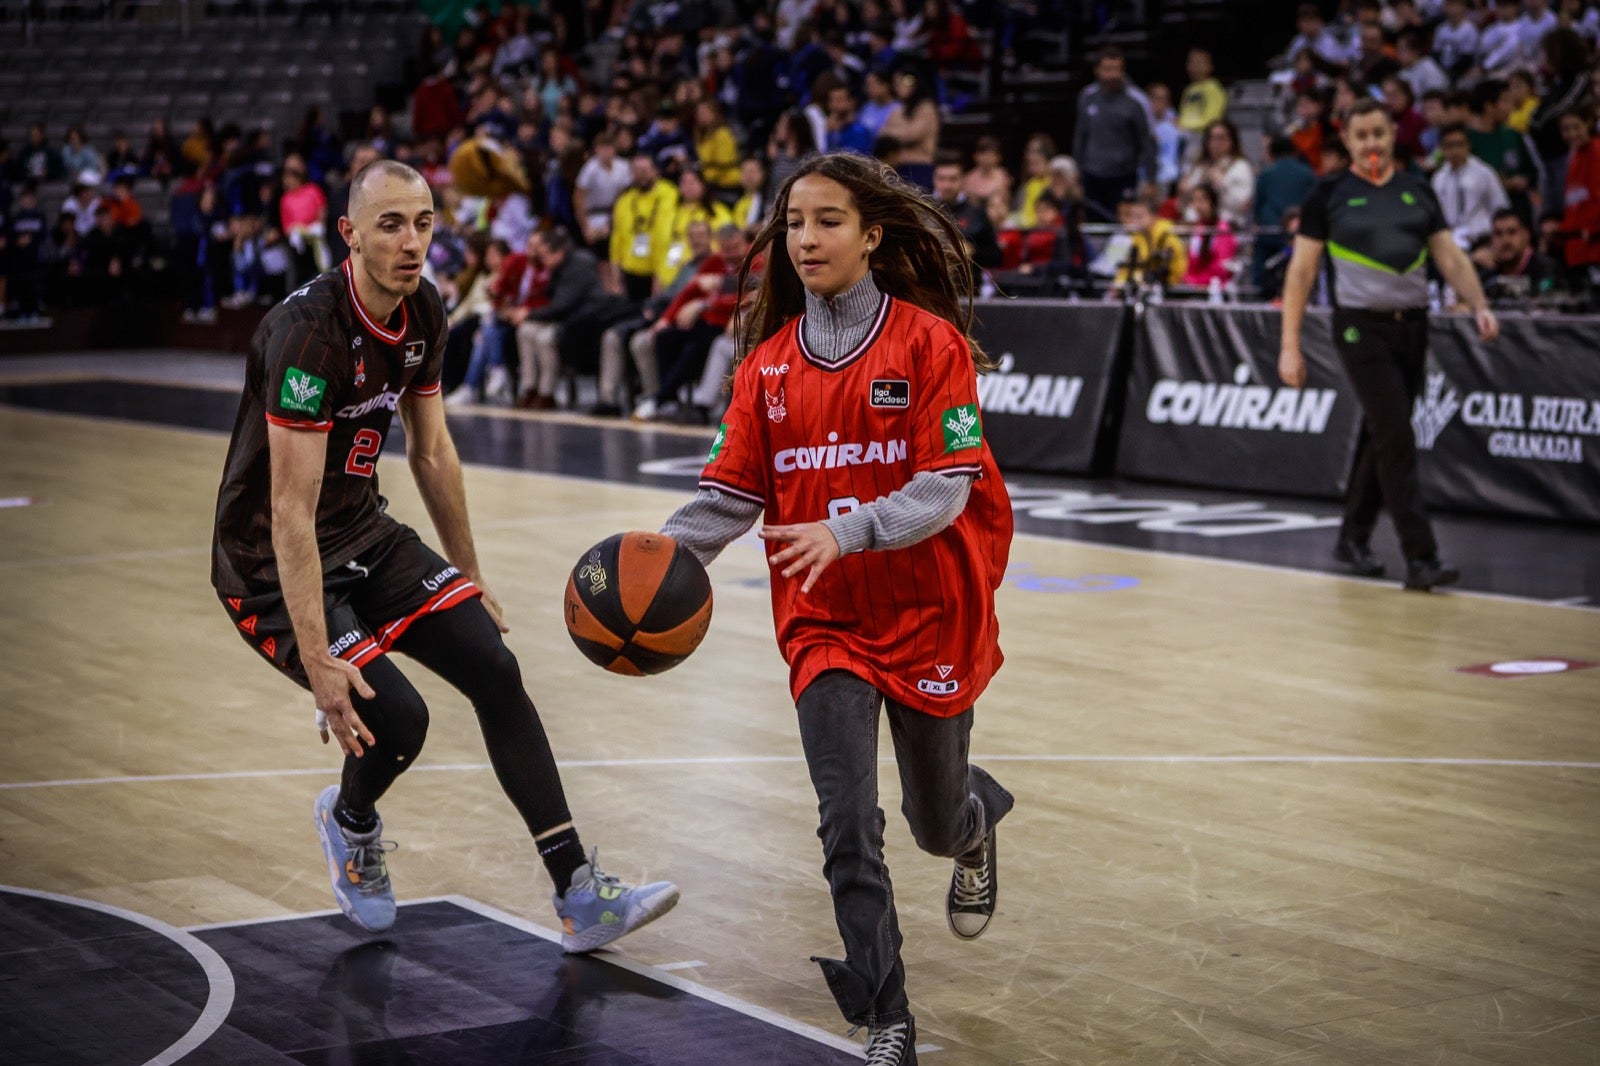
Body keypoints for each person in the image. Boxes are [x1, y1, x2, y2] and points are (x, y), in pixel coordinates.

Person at [210, 160, 678, 946]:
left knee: (495, 666)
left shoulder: (425, 307)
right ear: (349, 234)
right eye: (391, 223)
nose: (412, 241)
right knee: (399, 717)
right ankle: (350, 819)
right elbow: (288, 511)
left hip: (363, 530)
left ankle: (578, 894)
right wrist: (319, 661)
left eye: (424, 222)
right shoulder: (304, 336)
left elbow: (433, 454)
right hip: (269, 562)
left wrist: (469, 575)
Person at [657, 152, 1014, 1065]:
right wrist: (650, 559)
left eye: (826, 221)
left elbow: (947, 489)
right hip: (827, 627)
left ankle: (974, 824)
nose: (806, 239)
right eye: (793, 224)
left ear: (871, 235)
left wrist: (846, 532)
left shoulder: (928, 345)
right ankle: (886, 1014)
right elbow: (730, 498)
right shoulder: (767, 367)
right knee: (846, 820)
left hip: (933, 610)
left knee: (933, 824)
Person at [1278, 99, 1498, 591]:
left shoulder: (1418, 189)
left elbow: (1450, 257)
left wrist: (1479, 303)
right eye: (1361, 136)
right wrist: (1288, 346)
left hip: (1414, 327)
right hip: (1360, 329)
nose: (1371, 144)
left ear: (1392, 133)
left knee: (1386, 434)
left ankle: (1352, 537)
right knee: (1397, 433)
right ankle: (1421, 557)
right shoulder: (1329, 193)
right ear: (1348, 140)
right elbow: (1302, 272)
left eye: (1379, 133)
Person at [1074, 46, 1156, 216]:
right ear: (1097, 70)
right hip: (1092, 176)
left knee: (1122, 226)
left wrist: (1150, 178)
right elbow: (1080, 136)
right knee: (1093, 225)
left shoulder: (1136, 101)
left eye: (1117, 69)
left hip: (1124, 176)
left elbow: (1148, 141)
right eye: (1107, 69)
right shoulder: (1087, 96)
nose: (1112, 75)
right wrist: (1078, 172)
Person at [1434, 123, 1511, 251]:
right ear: (1442, 148)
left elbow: (1500, 207)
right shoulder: (1439, 178)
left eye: (1459, 144)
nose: (1455, 151)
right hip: (1452, 242)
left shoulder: (1484, 172)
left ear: (1468, 145)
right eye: (1449, 146)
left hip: (1482, 239)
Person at [1477, 207, 1563, 305]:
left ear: (1526, 236)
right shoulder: (1487, 274)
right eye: (1498, 234)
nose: (1505, 240)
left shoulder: (1547, 269)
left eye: (1512, 232)